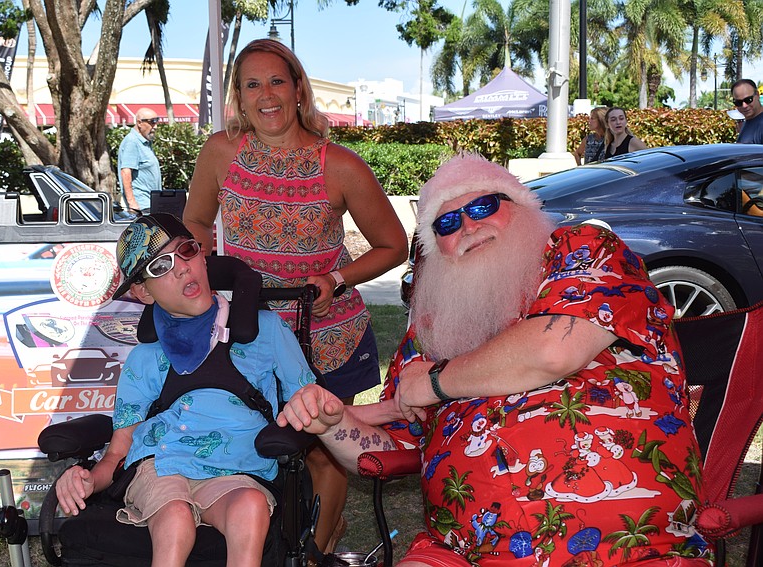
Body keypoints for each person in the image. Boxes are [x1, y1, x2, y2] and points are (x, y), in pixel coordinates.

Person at [279, 155, 714, 566]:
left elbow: (552, 351)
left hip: (625, 547)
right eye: (446, 224)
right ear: (438, 251)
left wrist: (433, 381)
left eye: (484, 205)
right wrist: (333, 424)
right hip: (465, 551)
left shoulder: (583, 251)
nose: (467, 225)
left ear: (522, 208)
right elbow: (391, 446)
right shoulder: (433, 325)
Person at [182, 38, 408, 552]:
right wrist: (196, 266)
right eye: (251, 84)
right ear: (238, 97)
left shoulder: (341, 164)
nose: (266, 95)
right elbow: (195, 219)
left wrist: (338, 280)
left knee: (323, 451)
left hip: (327, 336)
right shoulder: (220, 152)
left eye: (277, 81)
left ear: (299, 89)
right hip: (245, 334)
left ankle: (318, 550)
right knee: (255, 443)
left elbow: (393, 244)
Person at [55, 213, 316, 567]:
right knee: (176, 517)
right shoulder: (144, 359)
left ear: (202, 256)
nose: (180, 269)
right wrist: (88, 480)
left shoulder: (266, 332)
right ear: (142, 291)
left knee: (250, 507)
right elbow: (118, 451)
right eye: (160, 266)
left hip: (237, 469)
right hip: (160, 467)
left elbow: (314, 403)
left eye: (186, 252)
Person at [119, 107, 162, 215]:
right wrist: (132, 203)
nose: (155, 126)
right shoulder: (132, 142)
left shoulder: (145, 142)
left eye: (157, 122)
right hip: (142, 206)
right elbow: (125, 172)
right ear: (139, 123)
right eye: (152, 122)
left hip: (151, 204)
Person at [731, 79, 763, 144]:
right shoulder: (747, 122)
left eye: (748, 100)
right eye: (738, 102)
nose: (744, 106)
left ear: (757, 95)